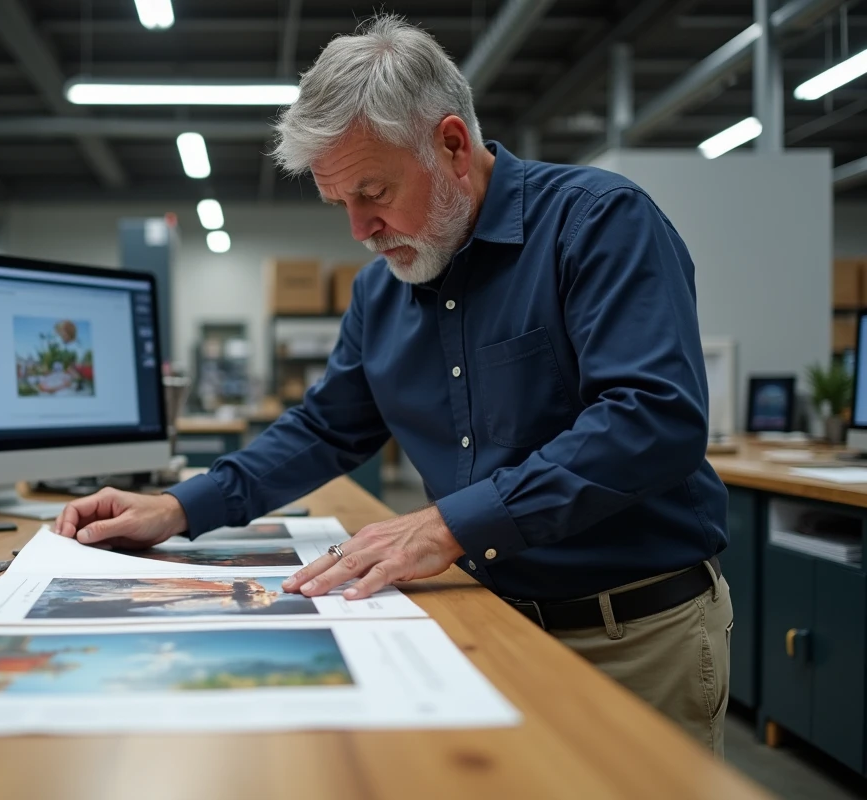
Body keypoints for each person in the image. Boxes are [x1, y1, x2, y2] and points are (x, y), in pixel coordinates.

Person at [53, 14, 732, 755]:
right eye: (339, 203)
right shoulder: (383, 293)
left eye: (372, 192)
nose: (360, 229)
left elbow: (652, 420)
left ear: (451, 144)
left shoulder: (599, 223)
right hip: (486, 623)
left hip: (627, 636)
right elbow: (324, 428)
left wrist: (447, 524)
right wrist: (178, 507)